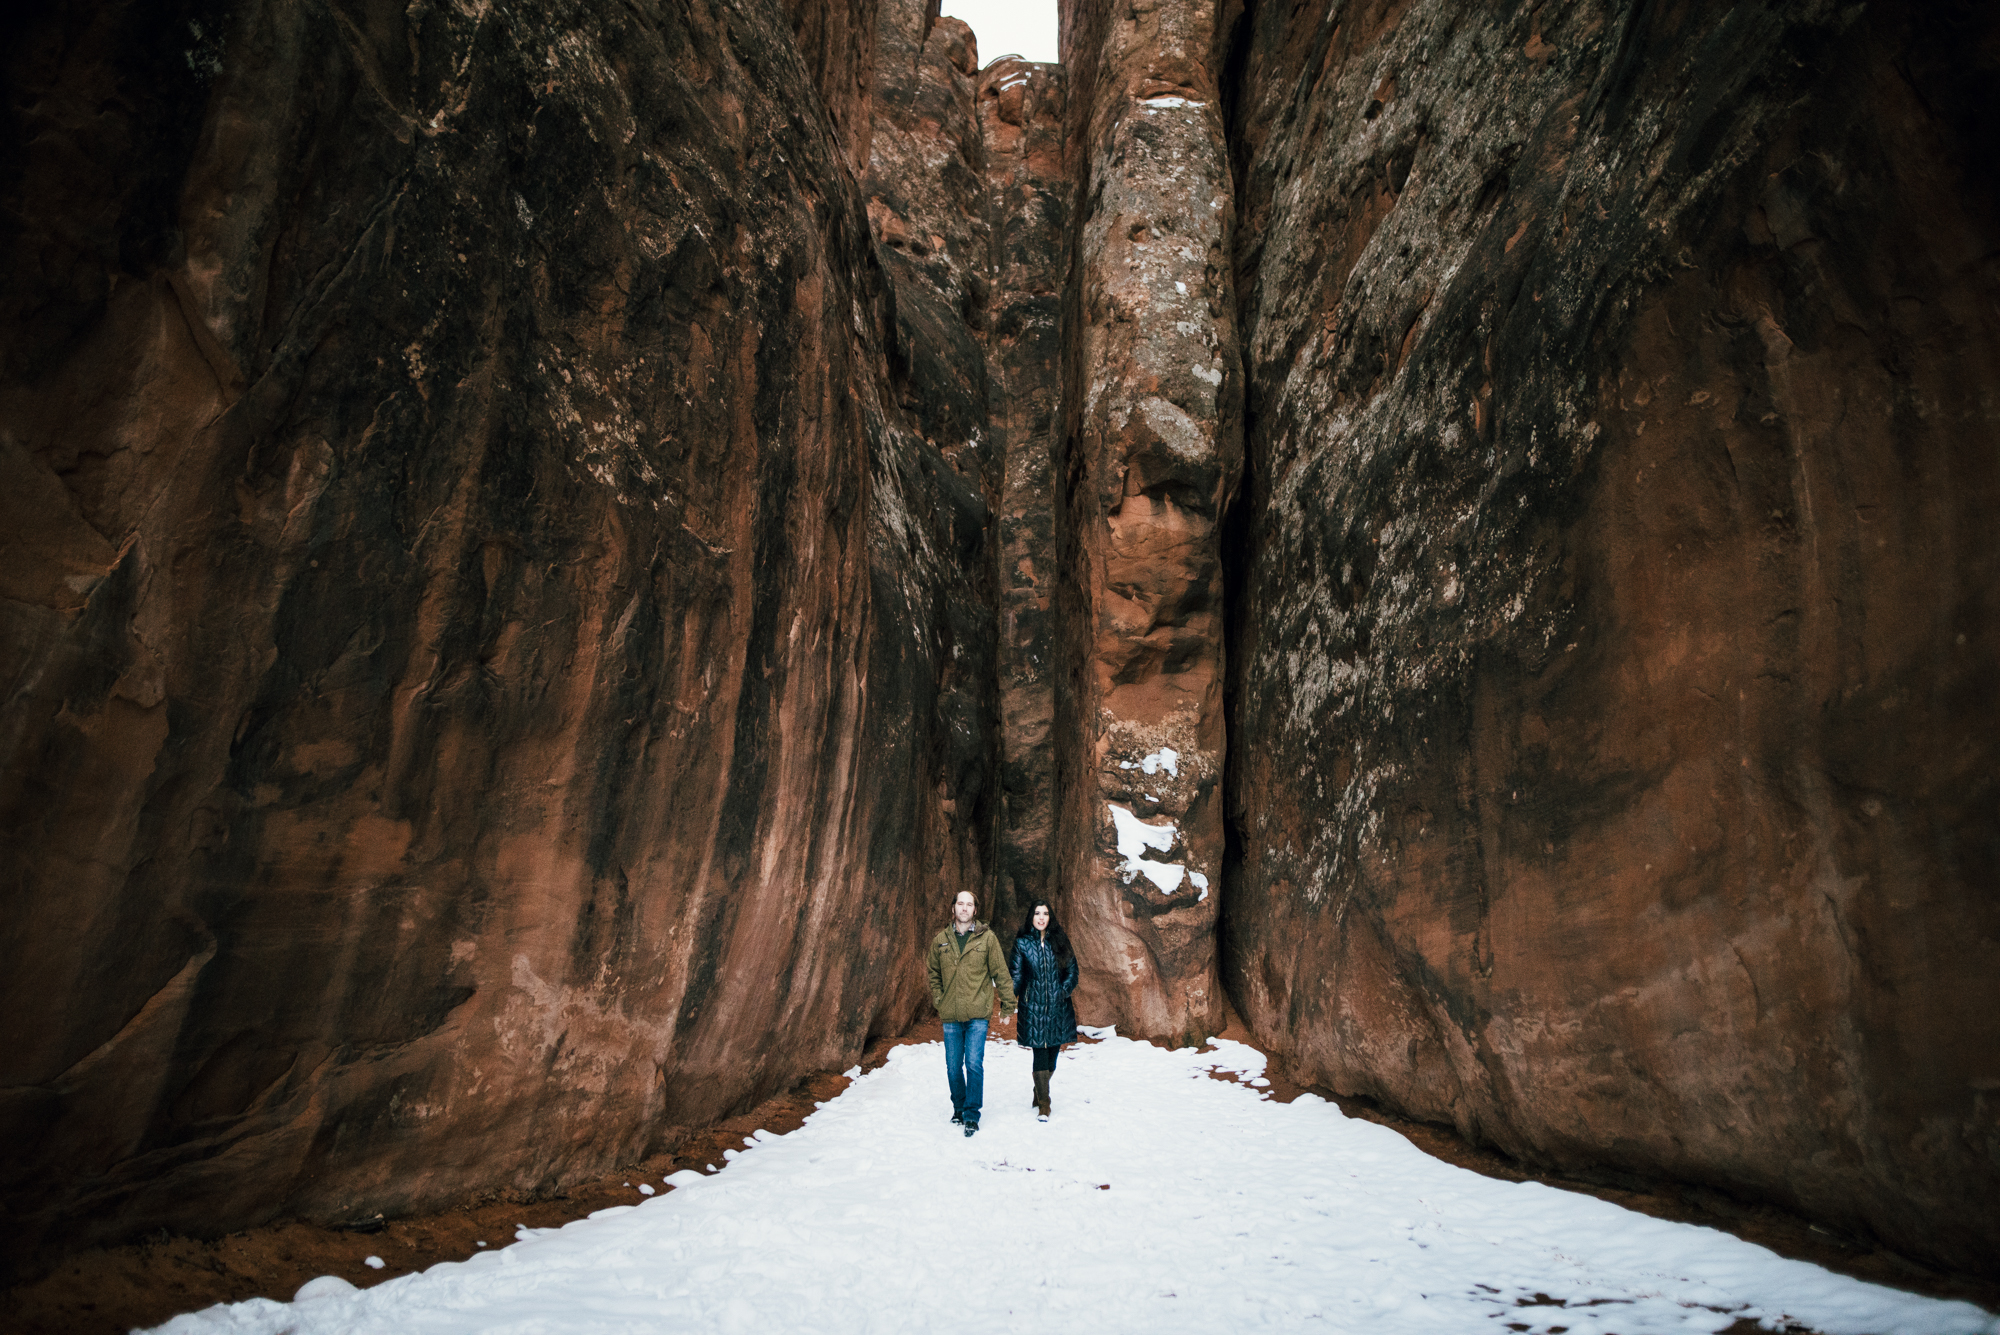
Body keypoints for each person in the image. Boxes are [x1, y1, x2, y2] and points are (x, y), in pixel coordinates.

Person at [926, 890, 1017, 1136]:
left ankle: (972, 1113)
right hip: (951, 1014)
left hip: (978, 1011)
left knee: (973, 1063)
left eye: (969, 905)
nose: (964, 908)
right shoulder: (940, 940)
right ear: (953, 908)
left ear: (975, 910)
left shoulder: (987, 939)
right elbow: (933, 973)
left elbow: (1001, 972)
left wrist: (1008, 1005)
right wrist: (939, 999)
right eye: (960, 904)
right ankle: (958, 1107)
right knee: (953, 1067)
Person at [1009, 900, 1079, 1121]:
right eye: (1037, 913)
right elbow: (1017, 975)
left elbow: (1072, 970)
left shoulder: (1060, 940)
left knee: (1052, 1057)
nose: (1041, 917)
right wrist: (1009, 1000)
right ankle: (1044, 1105)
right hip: (1033, 1007)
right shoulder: (1022, 943)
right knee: (1040, 1053)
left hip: (1059, 1006)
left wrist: (1063, 990)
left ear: (1050, 917)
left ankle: (1038, 1092)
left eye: (1045, 913)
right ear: (1031, 916)